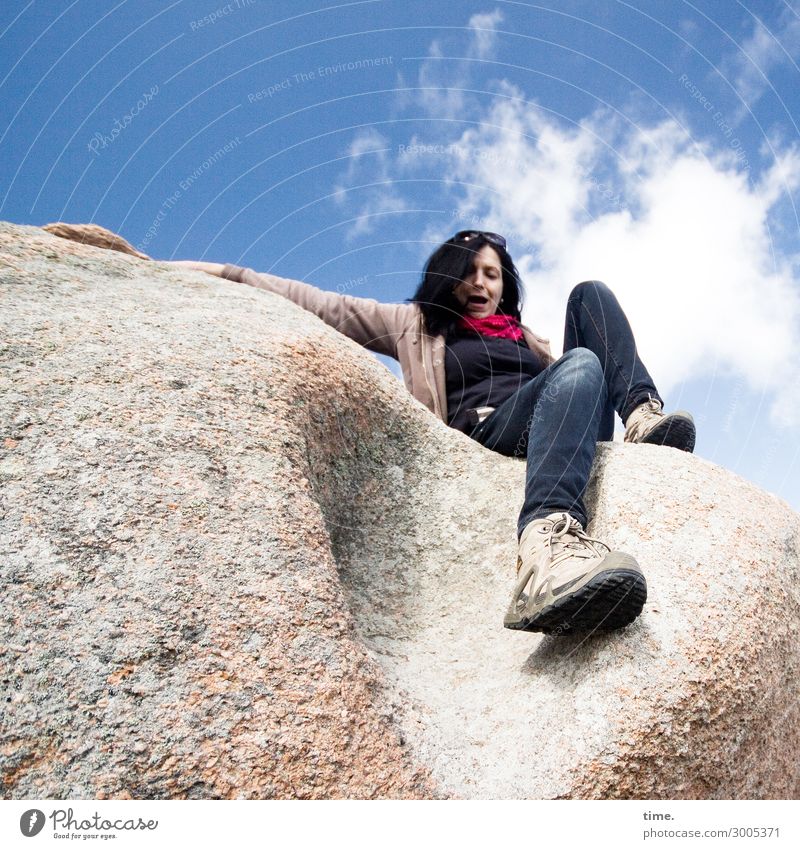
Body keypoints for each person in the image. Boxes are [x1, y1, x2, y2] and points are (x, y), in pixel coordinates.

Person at [167, 229, 695, 638]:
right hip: (488, 434)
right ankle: (545, 553)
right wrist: (212, 273)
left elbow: (572, 386)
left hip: (551, 426)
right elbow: (320, 303)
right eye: (470, 273)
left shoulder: (531, 343)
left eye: (493, 274)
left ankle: (641, 414)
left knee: (590, 297)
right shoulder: (415, 326)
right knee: (579, 364)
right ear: (449, 278)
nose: (482, 284)